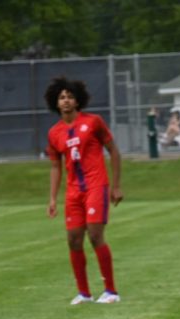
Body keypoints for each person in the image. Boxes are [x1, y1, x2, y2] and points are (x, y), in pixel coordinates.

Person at [45, 76, 122, 305]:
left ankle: (111, 291)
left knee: (95, 234)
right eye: (61, 97)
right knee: (73, 240)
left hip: (96, 185)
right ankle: (84, 293)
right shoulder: (54, 133)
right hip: (73, 191)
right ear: (56, 103)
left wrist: (116, 185)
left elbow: (114, 151)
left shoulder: (94, 121)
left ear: (77, 101)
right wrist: (52, 198)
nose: (66, 101)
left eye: (69, 96)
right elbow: (55, 166)